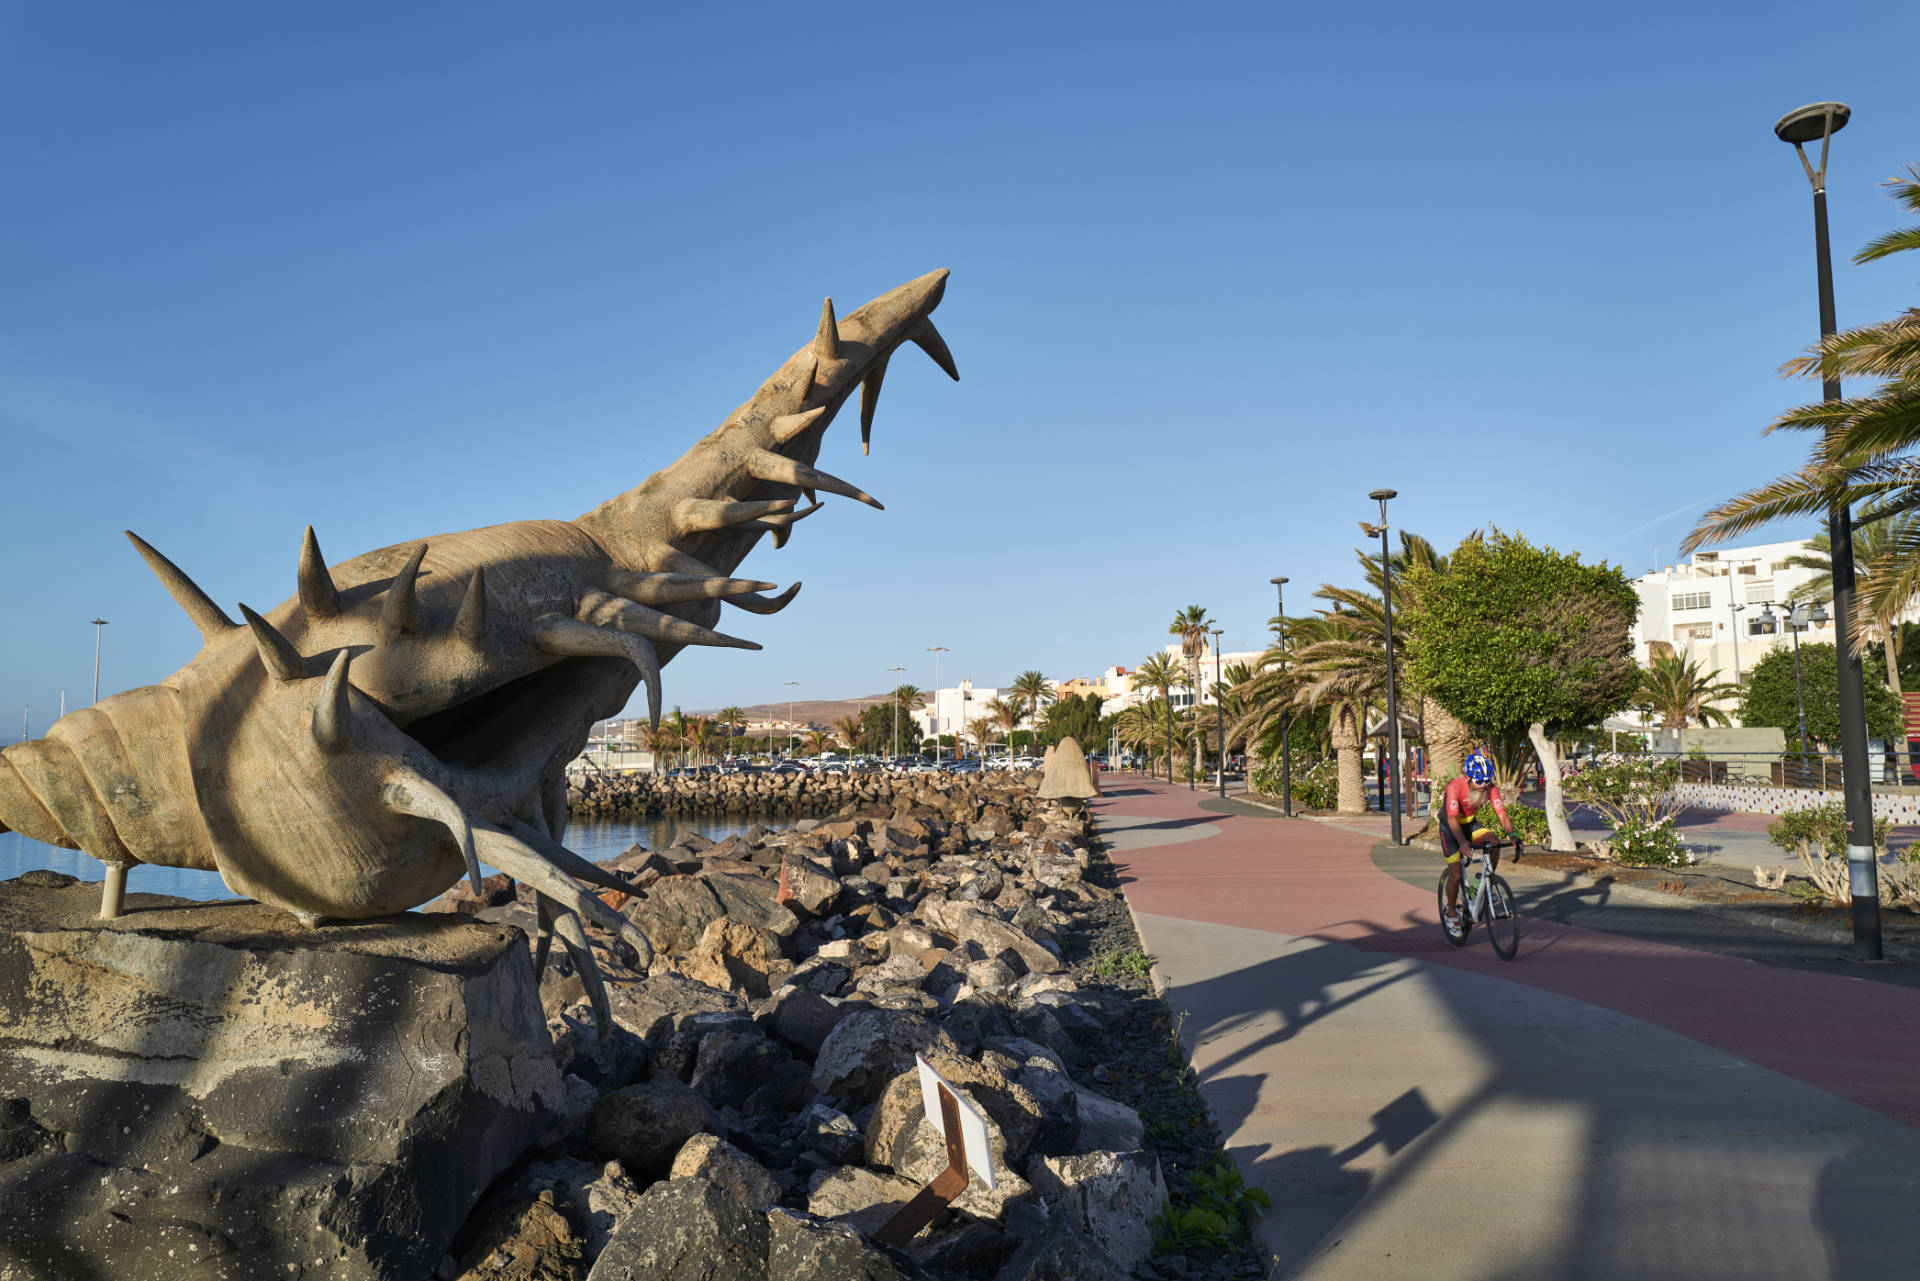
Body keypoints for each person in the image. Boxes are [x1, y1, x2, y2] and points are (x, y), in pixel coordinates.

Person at [1441, 751, 1520, 928]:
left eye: (1487, 781)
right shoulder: (1455, 787)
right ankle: (1451, 912)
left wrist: (1512, 834)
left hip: (1470, 824)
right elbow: (1452, 819)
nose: (1483, 786)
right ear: (1467, 777)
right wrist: (1462, 842)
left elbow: (1502, 814)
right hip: (1450, 828)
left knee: (1494, 841)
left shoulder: (1490, 788)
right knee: (1456, 874)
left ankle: (1487, 881)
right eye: (1478, 782)